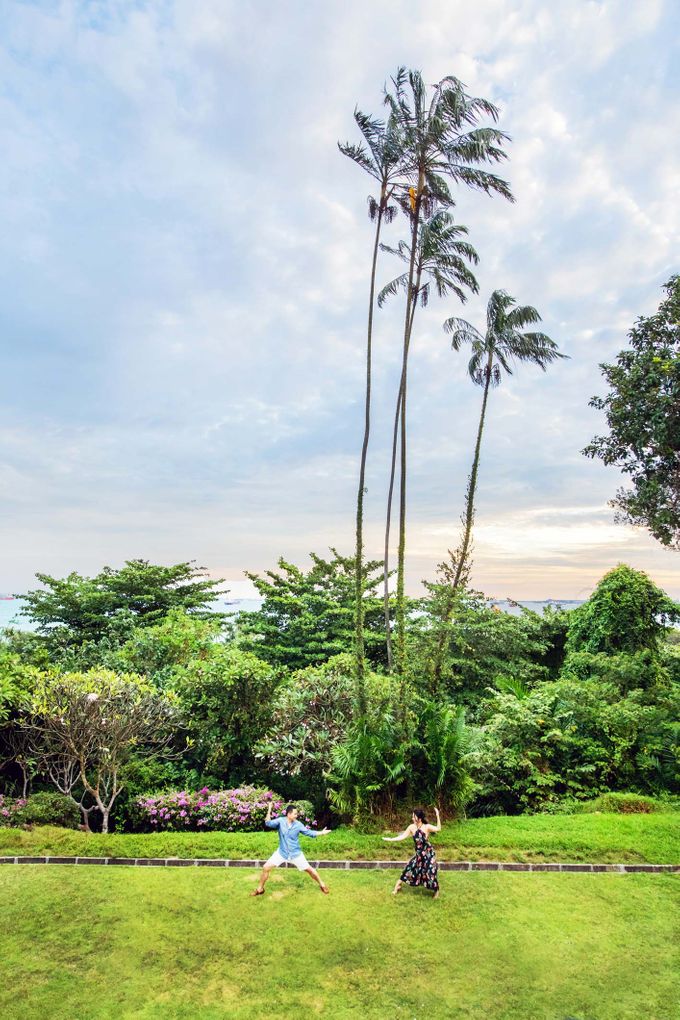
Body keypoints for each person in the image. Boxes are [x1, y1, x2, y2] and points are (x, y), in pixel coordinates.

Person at [251, 801, 332, 896]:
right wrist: (269, 808)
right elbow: (268, 823)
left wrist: (321, 833)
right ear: (289, 814)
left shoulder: (298, 825)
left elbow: (309, 832)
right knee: (266, 867)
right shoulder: (280, 821)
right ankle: (260, 889)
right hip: (282, 853)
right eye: (295, 814)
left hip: (295, 854)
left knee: (309, 869)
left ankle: (322, 884)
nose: (296, 815)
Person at [382, 807, 441, 898]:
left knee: (429, 872)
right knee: (409, 869)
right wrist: (391, 839)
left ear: (419, 818)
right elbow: (402, 837)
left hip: (428, 853)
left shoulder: (426, 827)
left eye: (414, 816)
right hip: (419, 855)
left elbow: (438, 828)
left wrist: (437, 815)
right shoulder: (411, 827)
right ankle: (398, 886)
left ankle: (436, 890)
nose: (412, 818)